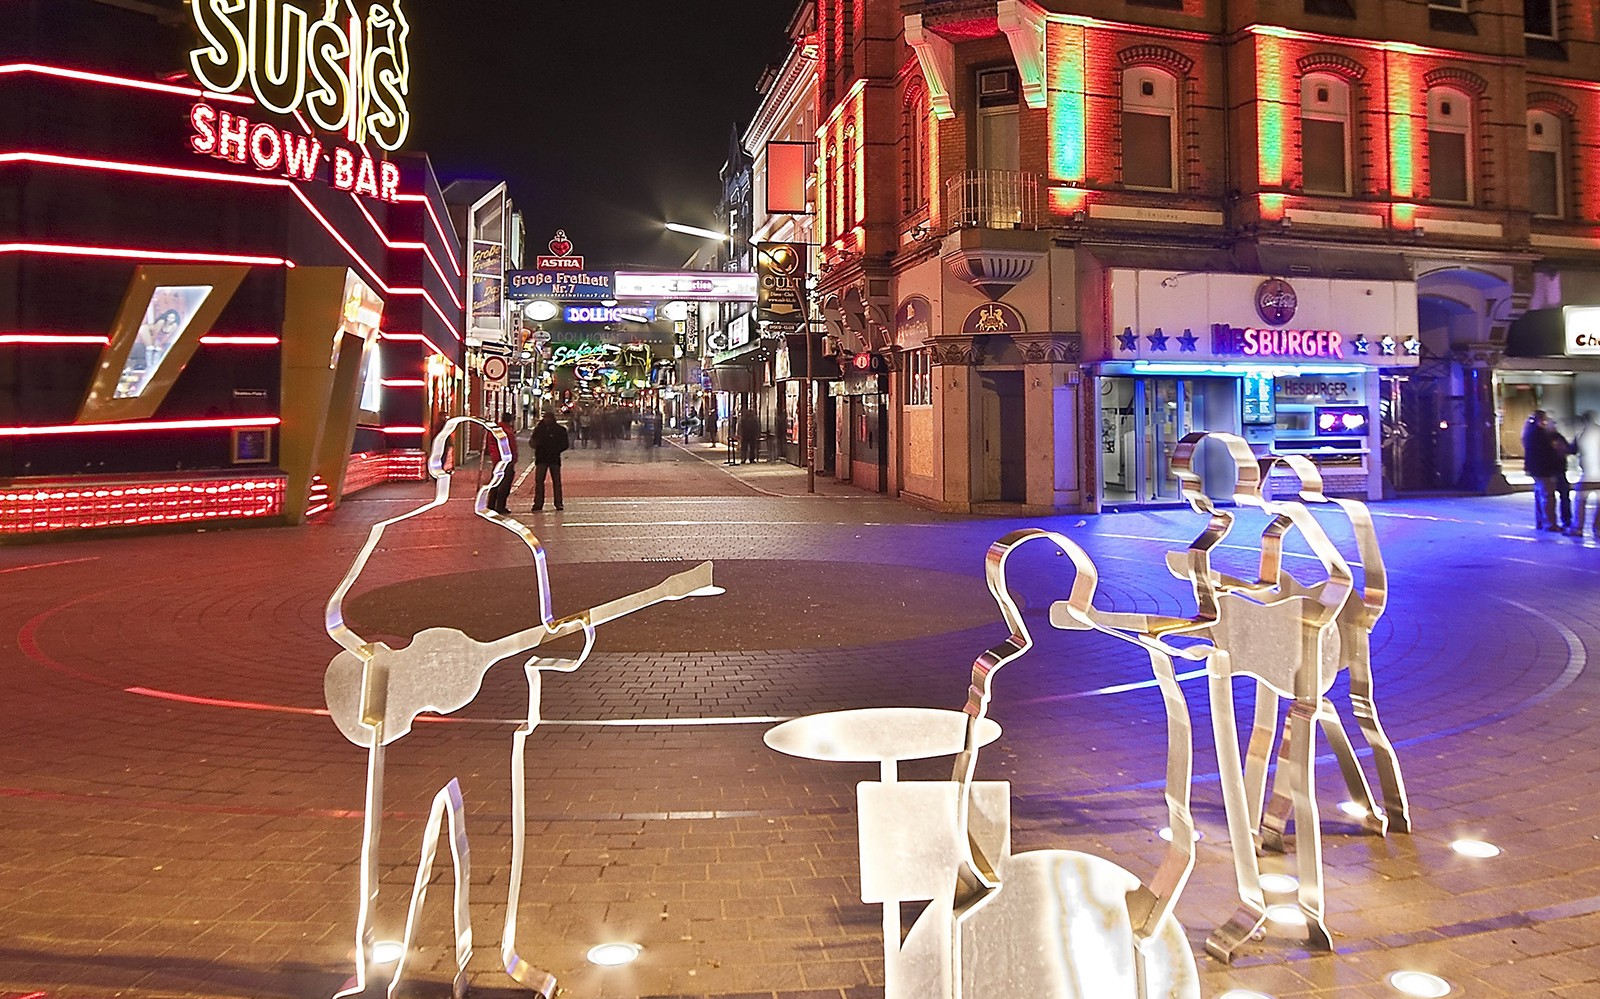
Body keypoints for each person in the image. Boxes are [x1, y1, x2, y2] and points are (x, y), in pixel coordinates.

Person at [1523, 410, 1564, 531]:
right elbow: (1547, 452)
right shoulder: (1540, 434)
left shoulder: (1529, 433)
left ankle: (1541, 522)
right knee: (1548, 496)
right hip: (1544, 469)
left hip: (1536, 469)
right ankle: (1550, 523)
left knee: (1540, 495)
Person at [529, 411, 570, 512]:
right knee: (541, 482)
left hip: (550, 458)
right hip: (545, 458)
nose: (546, 420)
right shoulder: (540, 429)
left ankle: (556, 503)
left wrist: (555, 449)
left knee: (554, 482)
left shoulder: (557, 430)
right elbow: (532, 442)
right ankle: (541, 503)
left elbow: (565, 444)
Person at [1572, 411, 1600, 538]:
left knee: (1580, 500)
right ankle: (1598, 528)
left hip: (1588, 474)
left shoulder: (1582, 434)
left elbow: (1572, 449)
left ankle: (1578, 528)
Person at [486, 411, 518, 514]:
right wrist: (512, 459)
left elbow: (492, 446)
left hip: (499, 460)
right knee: (504, 484)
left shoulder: (497, 429)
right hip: (505, 461)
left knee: (496, 483)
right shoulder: (506, 431)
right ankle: (500, 505)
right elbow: (511, 446)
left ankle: (491, 504)